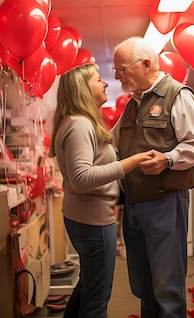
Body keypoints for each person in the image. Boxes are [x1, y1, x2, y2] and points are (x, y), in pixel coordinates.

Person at [111, 37, 194, 318]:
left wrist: (168, 160)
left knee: (168, 289)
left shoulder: (178, 95)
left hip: (165, 202)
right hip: (134, 206)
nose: (118, 76)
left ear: (145, 64)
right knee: (144, 287)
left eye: (122, 69)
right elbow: (113, 144)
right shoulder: (133, 103)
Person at [49, 63, 152, 318]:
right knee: (97, 298)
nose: (105, 83)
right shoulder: (79, 125)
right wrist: (132, 162)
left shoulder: (81, 123)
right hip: (92, 221)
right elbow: (82, 178)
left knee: (88, 287)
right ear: (83, 89)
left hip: (86, 218)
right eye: (98, 80)